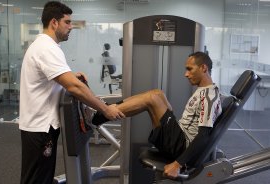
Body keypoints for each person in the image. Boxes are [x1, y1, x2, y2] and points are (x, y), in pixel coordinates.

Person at [18, 1, 125, 184]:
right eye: (67, 22)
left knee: (41, 177)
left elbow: (56, 78)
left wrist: (72, 75)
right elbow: (74, 88)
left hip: (41, 125)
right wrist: (105, 109)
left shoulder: (47, 46)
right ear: (54, 22)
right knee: (36, 179)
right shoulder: (46, 48)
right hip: (40, 127)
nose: (71, 27)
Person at [91, 51, 222, 179]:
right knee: (157, 93)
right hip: (179, 137)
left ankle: (98, 117)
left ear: (203, 68)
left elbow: (204, 136)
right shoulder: (205, 90)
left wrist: (177, 164)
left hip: (181, 146)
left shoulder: (209, 97)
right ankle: (109, 108)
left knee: (152, 98)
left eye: (190, 69)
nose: (186, 74)